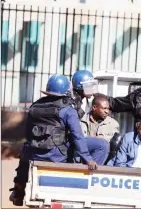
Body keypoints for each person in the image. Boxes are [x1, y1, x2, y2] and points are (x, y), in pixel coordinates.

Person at [9, 74, 108, 206]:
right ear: (67, 91)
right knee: (102, 144)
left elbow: (27, 134)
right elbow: (77, 136)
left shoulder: (34, 106)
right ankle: (85, 182)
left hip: (33, 154)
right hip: (55, 155)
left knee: (25, 149)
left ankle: (18, 191)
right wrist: (88, 159)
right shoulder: (68, 109)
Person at [79, 95, 121, 164]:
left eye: (108, 109)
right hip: (81, 157)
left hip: (100, 160)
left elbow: (108, 143)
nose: (107, 111)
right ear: (94, 107)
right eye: (104, 108)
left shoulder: (113, 124)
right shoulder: (81, 120)